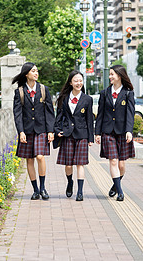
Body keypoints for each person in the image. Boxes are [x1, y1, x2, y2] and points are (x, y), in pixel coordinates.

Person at [12, 62, 55, 200]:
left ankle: (43, 188)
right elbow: (17, 113)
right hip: (27, 130)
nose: (36, 73)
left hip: (41, 129)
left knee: (40, 157)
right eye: (33, 71)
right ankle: (35, 190)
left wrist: (50, 130)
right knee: (29, 160)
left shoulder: (43, 89)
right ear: (26, 74)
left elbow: (49, 111)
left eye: (37, 71)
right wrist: (21, 132)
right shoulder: (19, 92)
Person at [95, 65, 135, 201]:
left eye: (112, 74)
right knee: (113, 161)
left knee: (121, 164)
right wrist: (97, 133)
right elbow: (100, 114)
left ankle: (115, 186)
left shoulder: (128, 93)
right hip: (108, 132)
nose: (110, 76)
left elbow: (130, 114)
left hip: (123, 132)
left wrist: (129, 131)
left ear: (119, 75)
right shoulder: (104, 93)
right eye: (110, 74)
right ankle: (120, 192)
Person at [54, 70, 94, 201]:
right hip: (67, 134)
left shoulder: (88, 99)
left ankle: (80, 191)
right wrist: (57, 130)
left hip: (82, 134)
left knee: (80, 164)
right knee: (69, 164)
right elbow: (59, 117)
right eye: (76, 80)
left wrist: (90, 138)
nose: (79, 83)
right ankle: (70, 182)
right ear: (70, 82)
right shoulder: (64, 98)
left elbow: (89, 119)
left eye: (80, 80)